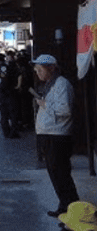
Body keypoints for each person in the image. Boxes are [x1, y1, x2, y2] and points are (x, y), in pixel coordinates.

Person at [32, 54, 80, 218]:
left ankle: (72, 209)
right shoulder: (50, 84)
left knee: (61, 174)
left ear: (51, 68)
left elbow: (65, 110)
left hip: (57, 136)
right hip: (49, 134)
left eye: (40, 69)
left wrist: (45, 104)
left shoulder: (61, 84)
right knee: (56, 174)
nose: (38, 73)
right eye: (36, 70)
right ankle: (65, 206)